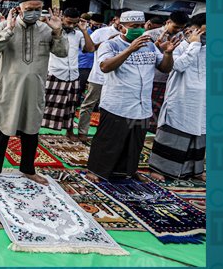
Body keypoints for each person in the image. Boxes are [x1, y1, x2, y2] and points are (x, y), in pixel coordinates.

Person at [0, 0, 67, 186]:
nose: (34, 13)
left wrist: (57, 31)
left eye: (38, 9)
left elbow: (62, 52)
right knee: (0, 129)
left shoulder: (47, 30)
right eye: (29, 9)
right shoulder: (4, 26)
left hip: (34, 89)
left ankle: (28, 169)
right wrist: (8, 31)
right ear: (19, 8)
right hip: (7, 88)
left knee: (31, 131)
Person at [85, 11, 178, 183]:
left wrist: (168, 54)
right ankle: (96, 171)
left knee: (135, 142)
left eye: (141, 26)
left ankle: (127, 171)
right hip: (117, 102)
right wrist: (130, 49)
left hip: (142, 105)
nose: (139, 30)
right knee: (109, 140)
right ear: (122, 27)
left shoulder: (149, 45)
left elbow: (164, 68)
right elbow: (105, 67)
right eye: (133, 27)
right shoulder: (110, 45)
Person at [149, 13, 206, 181]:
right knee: (172, 134)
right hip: (181, 98)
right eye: (204, 32)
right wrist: (194, 45)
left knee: (199, 135)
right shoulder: (180, 46)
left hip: (202, 101)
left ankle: (193, 171)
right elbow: (179, 66)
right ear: (192, 30)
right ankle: (159, 169)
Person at [41, 8, 94, 140]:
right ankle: (32, 130)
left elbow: (90, 49)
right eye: (69, 22)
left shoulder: (79, 34)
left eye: (74, 23)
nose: (71, 26)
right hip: (54, 72)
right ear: (63, 18)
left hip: (73, 75)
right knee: (43, 104)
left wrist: (84, 30)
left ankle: (69, 132)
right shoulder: (52, 31)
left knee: (71, 106)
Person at [76, 14, 122, 142]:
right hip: (98, 76)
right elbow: (88, 49)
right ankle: (82, 132)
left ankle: (105, 134)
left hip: (118, 79)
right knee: (89, 104)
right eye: (122, 20)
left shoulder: (133, 37)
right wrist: (108, 41)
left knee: (112, 108)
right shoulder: (102, 32)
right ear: (115, 19)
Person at [144, 11, 190, 133]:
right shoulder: (151, 34)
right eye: (176, 26)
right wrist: (157, 47)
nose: (178, 29)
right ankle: (143, 132)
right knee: (148, 108)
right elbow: (142, 55)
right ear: (168, 22)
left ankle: (155, 133)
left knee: (163, 109)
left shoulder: (183, 37)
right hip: (153, 77)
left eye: (181, 27)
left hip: (170, 79)